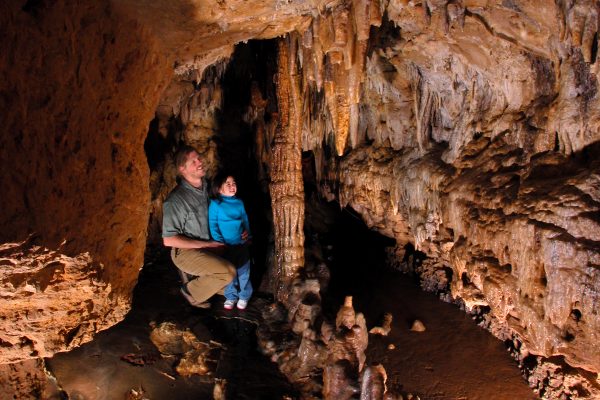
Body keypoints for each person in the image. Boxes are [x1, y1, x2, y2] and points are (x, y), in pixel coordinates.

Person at [162, 145, 237, 308]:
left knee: (237, 288)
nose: (199, 162)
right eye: (193, 161)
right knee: (228, 272)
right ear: (182, 169)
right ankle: (190, 292)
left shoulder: (207, 187)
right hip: (186, 252)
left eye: (199, 158)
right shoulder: (176, 200)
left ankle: (201, 279)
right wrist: (207, 244)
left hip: (209, 244)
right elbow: (169, 240)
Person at [209, 172, 253, 310]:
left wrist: (248, 235)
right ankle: (231, 296)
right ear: (218, 188)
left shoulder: (239, 203)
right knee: (229, 273)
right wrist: (219, 242)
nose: (232, 186)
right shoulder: (215, 204)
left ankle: (244, 296)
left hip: (241, 244)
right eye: (227, 184)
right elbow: (213, 224)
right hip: (226, 246)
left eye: (233, 183)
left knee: (243, 272)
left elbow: (245, 219)